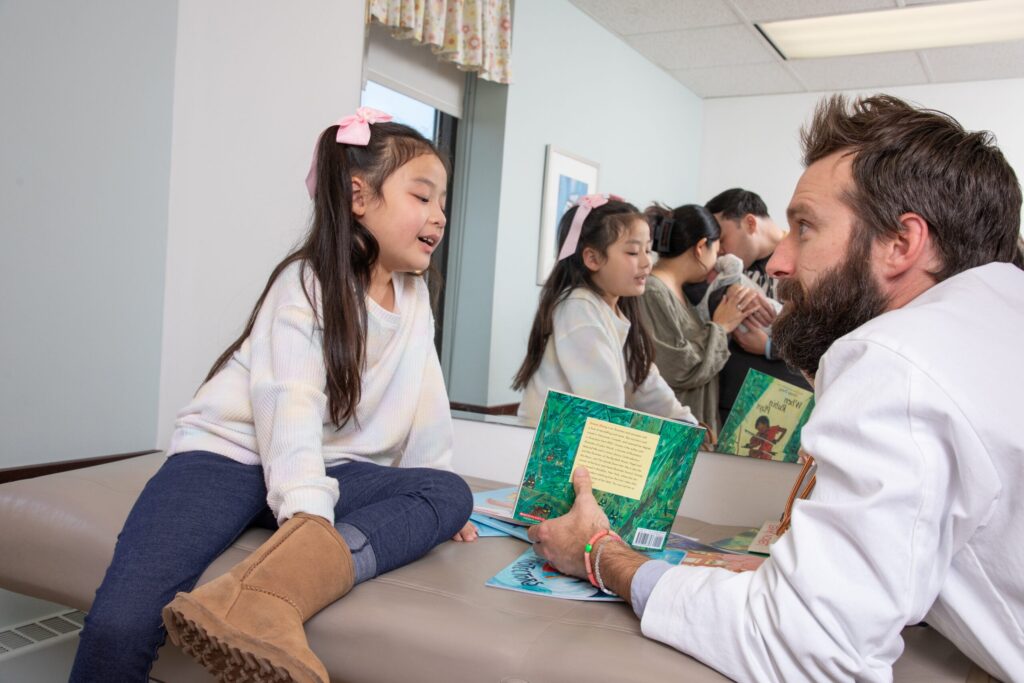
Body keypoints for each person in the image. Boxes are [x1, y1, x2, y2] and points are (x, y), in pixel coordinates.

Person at [527, 94, 1024, 682]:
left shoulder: (896, 359)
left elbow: (801, 646)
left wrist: (601, 553)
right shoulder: (994, 315)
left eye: (806, 228)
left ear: (900, 243)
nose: (779, 261)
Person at [70, 109, 476, 683]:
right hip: (229, 459)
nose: (439, 216)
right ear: (358, 196)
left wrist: (434, 489)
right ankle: (288, 572)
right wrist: (307, 520)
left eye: (443, 202)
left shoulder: (414, 300)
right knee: (120, 625)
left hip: (333, 466)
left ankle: (272, 595)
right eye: (423, 196)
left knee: (449, 491)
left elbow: (427, 404)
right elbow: (289, 409)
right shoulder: (305, 284)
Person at [513, 195, 696, 426]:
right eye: (632, 252)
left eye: (648, 250)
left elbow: (643, 381)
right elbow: (604, 402)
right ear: (592, 258)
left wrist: (686, 422)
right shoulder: (579, 308)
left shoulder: (614, 310)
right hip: (547, 448)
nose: (646, 262)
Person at [639, 203, 760, 432]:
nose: (719, 258)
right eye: (717, 250)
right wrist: (721, 327)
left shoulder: (681, 292)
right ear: (701, 247)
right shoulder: (652, 291)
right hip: (669, 432)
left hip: (694, 428)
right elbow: (678, 368)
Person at [697, 188, 810, 424]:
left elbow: (824, 331)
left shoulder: (807, 260)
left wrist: (770, 347)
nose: (719, 248)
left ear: (749, 223)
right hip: (729, 407)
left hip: (786, 402)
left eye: (723, 237)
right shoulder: (726, 270)